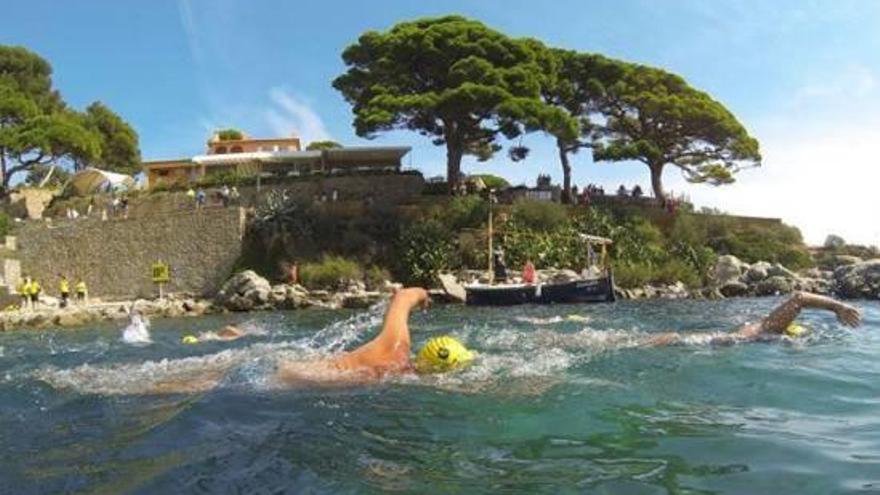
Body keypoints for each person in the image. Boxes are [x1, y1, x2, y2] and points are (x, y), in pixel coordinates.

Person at [640, 291, 861, 347]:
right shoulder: (770, 328)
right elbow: (799, 298)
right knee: (676, 340)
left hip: (724, 342)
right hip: (724, 342)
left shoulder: (768, 330)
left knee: (677, 340)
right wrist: (837, 306)